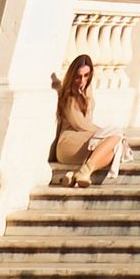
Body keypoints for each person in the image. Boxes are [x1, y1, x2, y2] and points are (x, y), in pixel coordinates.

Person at [48, 54, 119, 186]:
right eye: (78, 77)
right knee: (115, 136)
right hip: (68, 144)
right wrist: (105, 132)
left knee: (112, 151)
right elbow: (80, 125)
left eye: (86, 76)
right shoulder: (69, 96)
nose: (82, 80)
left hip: (82, 140)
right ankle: (83, 172)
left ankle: (79, 174)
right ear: (72, 76)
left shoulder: (85, 91)